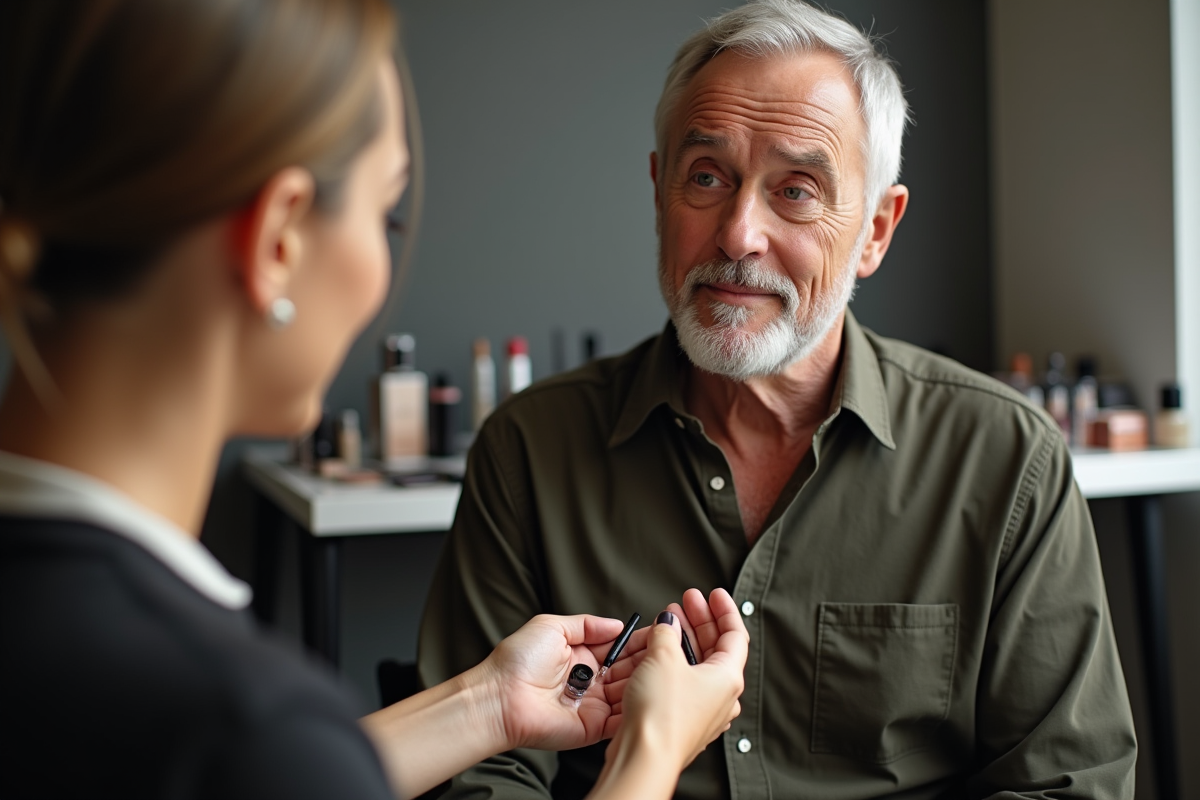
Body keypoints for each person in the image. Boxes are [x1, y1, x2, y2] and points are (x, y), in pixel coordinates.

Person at [0, 1, 749, 798]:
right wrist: (652, 750)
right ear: (278, 239)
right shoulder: (240, 727)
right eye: (385, 212)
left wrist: (489, 704)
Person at [417, 0, 1139, 797]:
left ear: (875, 230)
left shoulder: (1007, 461)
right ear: (659, 194)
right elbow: (479, 776)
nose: (738, 234)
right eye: (706, 177)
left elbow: (1068, 783)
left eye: (796, 190)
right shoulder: (528, 449)